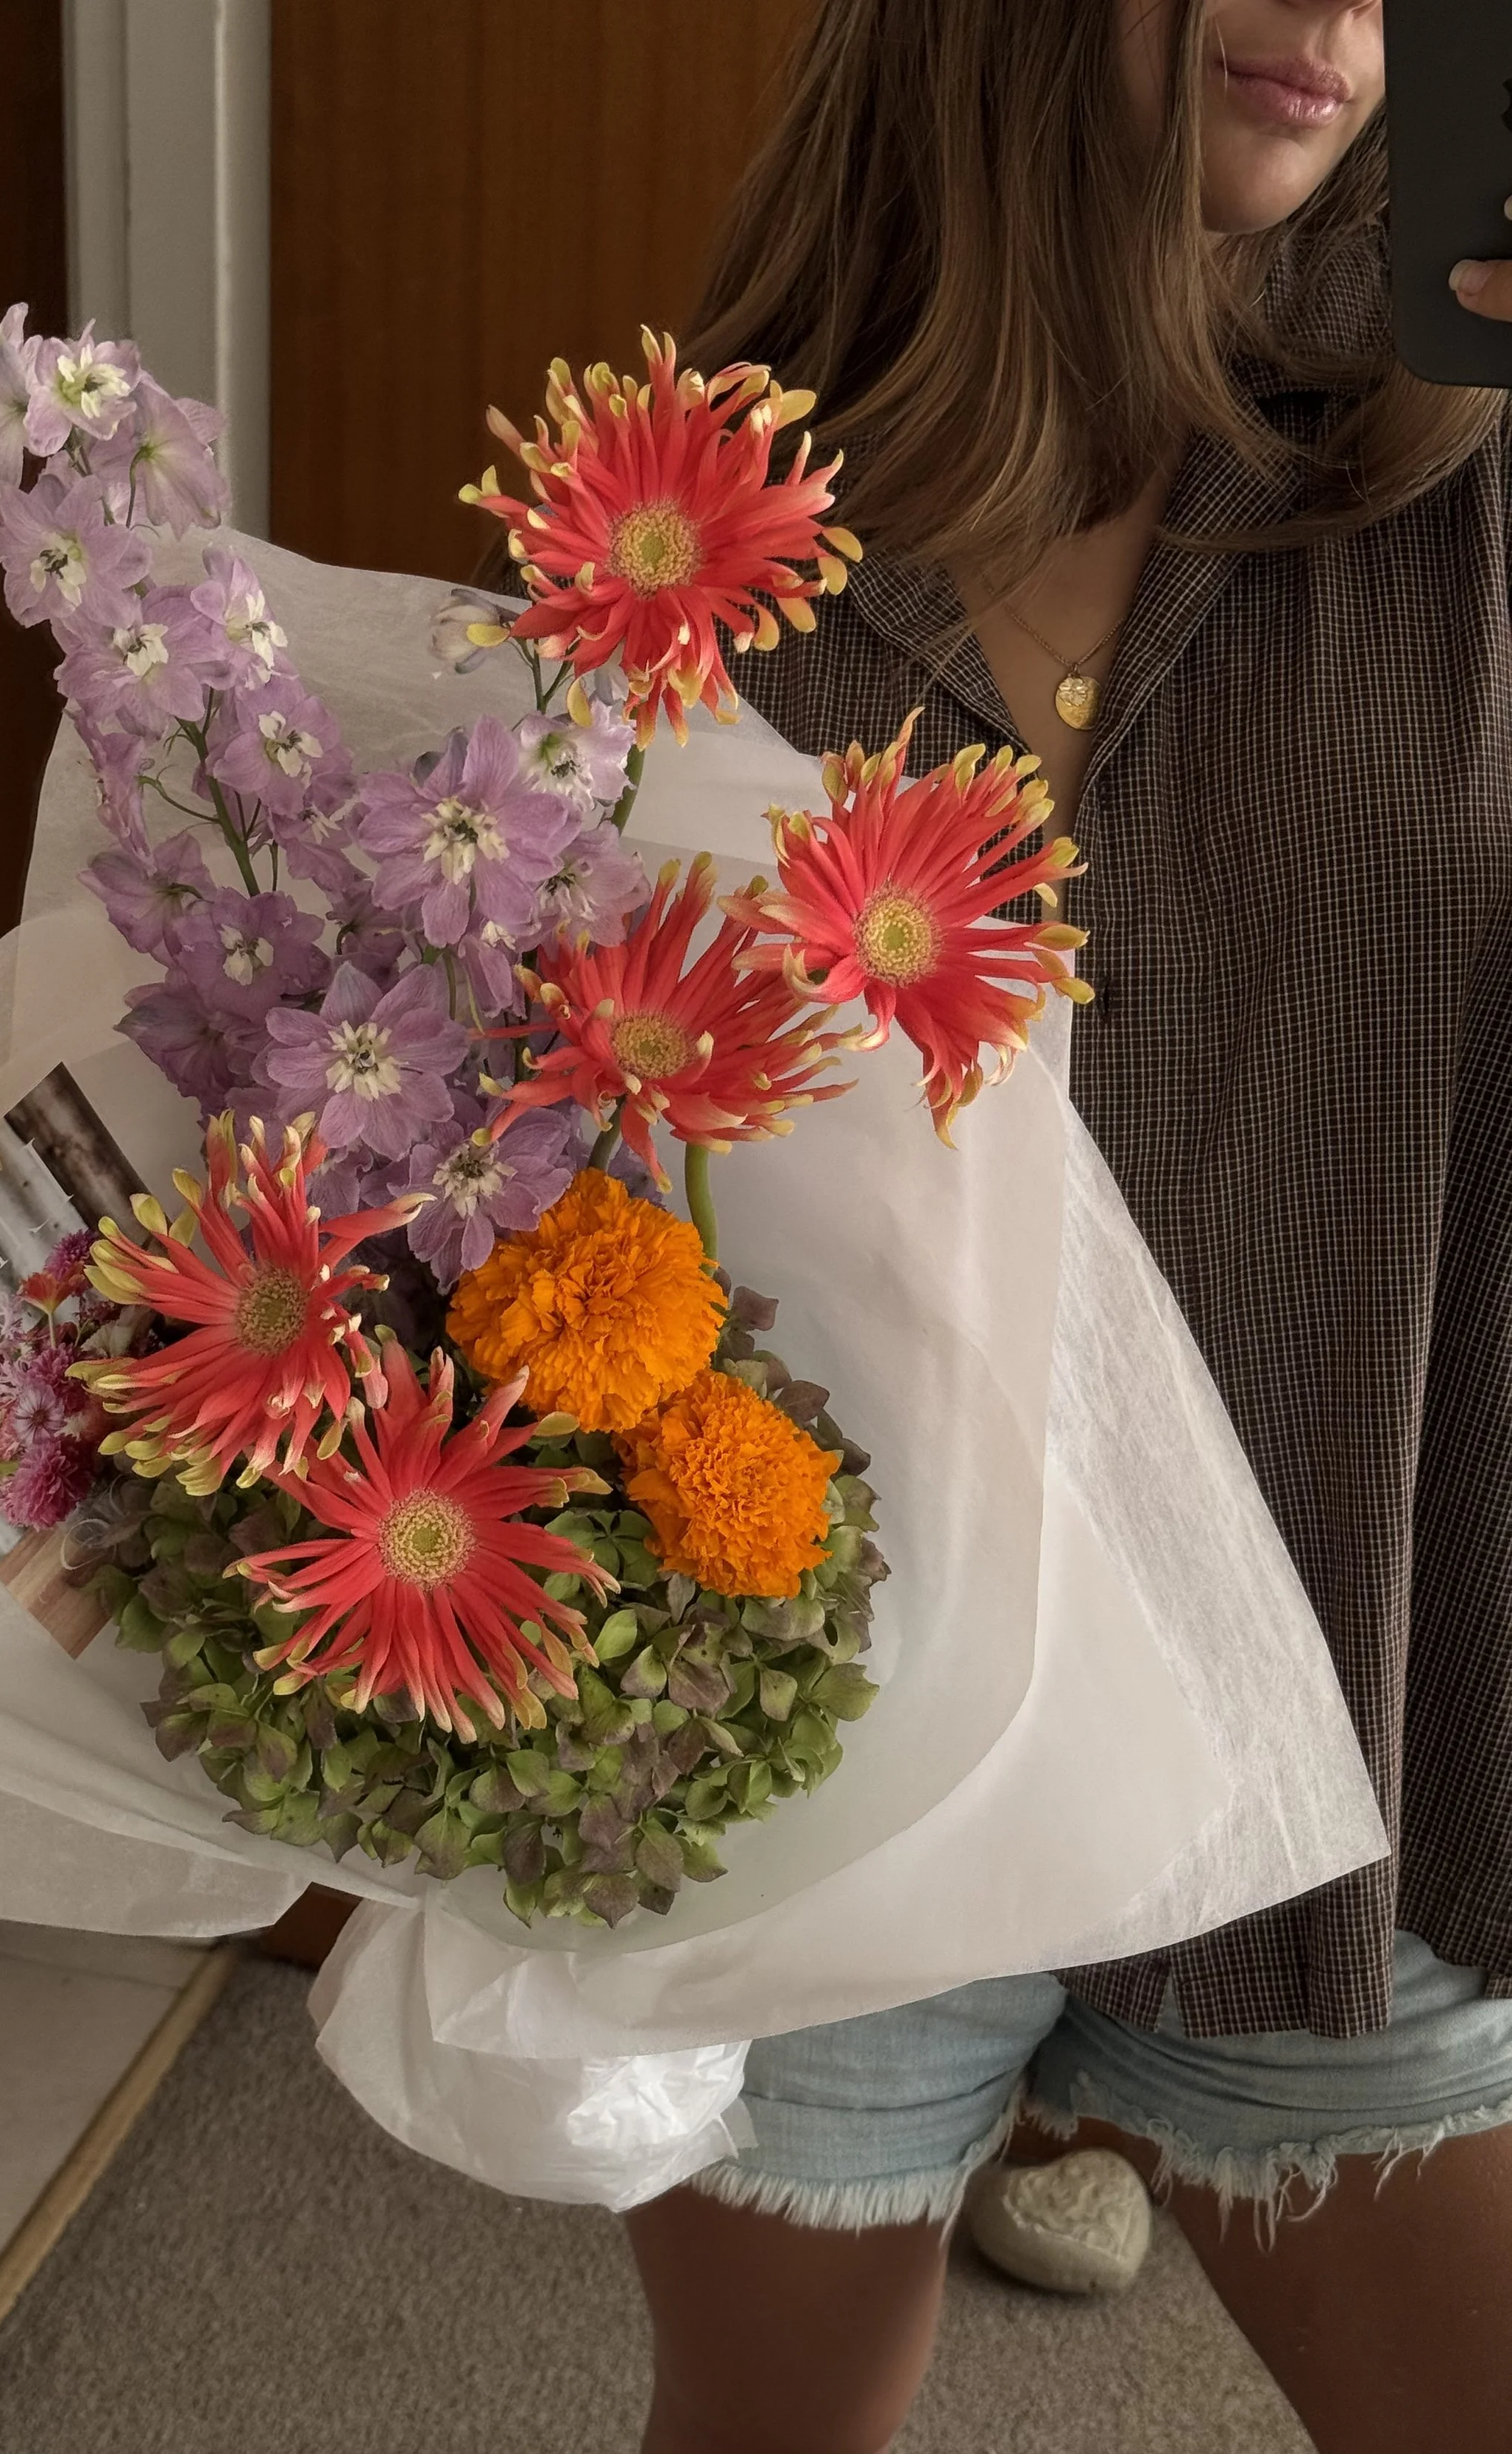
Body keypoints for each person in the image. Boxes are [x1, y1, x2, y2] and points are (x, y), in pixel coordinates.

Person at [624, 6, 1512, 2450]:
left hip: (1340, 1714)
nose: (1337, 19)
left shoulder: (1465, 449)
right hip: (818, 1736)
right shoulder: (682, 516)